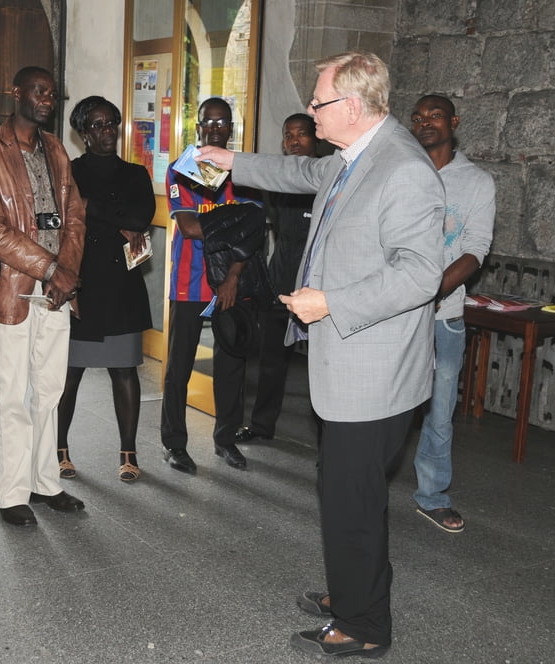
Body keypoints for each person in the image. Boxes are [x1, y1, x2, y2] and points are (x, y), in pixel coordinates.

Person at [198, 51, 444, 657]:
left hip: (374, 374)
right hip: (353, 368)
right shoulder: (352, 156)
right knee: (348, 492)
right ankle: (354, 590)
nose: (310, 111)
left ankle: (364, 626)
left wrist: (332, 301)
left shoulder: (403, 170)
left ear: (352, 106)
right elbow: (300, 174)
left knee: (351, 499)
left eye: (319, 102)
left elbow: (420, 275)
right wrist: (231, 161)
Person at [0, 66, 86, 526]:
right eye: (39, 92)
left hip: (57, 290)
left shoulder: (55, 148)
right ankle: (11, 493)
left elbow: (75, 217)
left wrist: (64, 274)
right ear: (15, 93)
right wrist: (50, 269)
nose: (47, 100)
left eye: (52, 94)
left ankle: (45, 482)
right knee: (12, 392)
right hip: (13, 288)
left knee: (50, 390)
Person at [55, 95, 155, 482]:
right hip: (80, 284)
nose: (107, 130)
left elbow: (141, 217)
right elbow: (66, 217)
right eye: (97, 125)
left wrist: (92, 208)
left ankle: (128, 454)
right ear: (83, 133)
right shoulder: (70, 172)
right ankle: (59, 450)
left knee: (124, 371)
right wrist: (116, 220)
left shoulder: (135, 174)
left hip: (121, 286)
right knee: (69, 374)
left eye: (111, 122)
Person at [409, 94, 495, 533]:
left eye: (436, 116)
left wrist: (429, 292)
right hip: (394, 315)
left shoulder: (476, 182)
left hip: (444, 316)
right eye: (418, 117)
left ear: (454, 123)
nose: (426, 122)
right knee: (382, 405)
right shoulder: (401, 170)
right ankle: (362, 483)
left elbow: (475, 249)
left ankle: (432, 496)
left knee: (440, 411)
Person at [161, 97, 261, 473]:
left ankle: (226, 439)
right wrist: (236, 222)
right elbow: (188, 227)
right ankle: (174, 444)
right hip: (190, 281)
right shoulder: (183, 169)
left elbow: (253, 232)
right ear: (198, 126)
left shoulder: (243, 171)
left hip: (232, 280)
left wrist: (233, 276)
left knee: (231, 364)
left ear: (231, 128)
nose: (216, 129)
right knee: (179, 366)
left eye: (223, 123)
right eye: (209, 122)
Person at [236, 113, 319, 444]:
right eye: (288, 135)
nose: (294, 141)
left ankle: (328, 443)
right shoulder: (279, 183)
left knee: (322, 368)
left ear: (316, 138)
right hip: (280, 283)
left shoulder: (328, 178)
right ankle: (261, 426)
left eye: (302, 134)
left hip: (318, 289)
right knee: (271, 361)